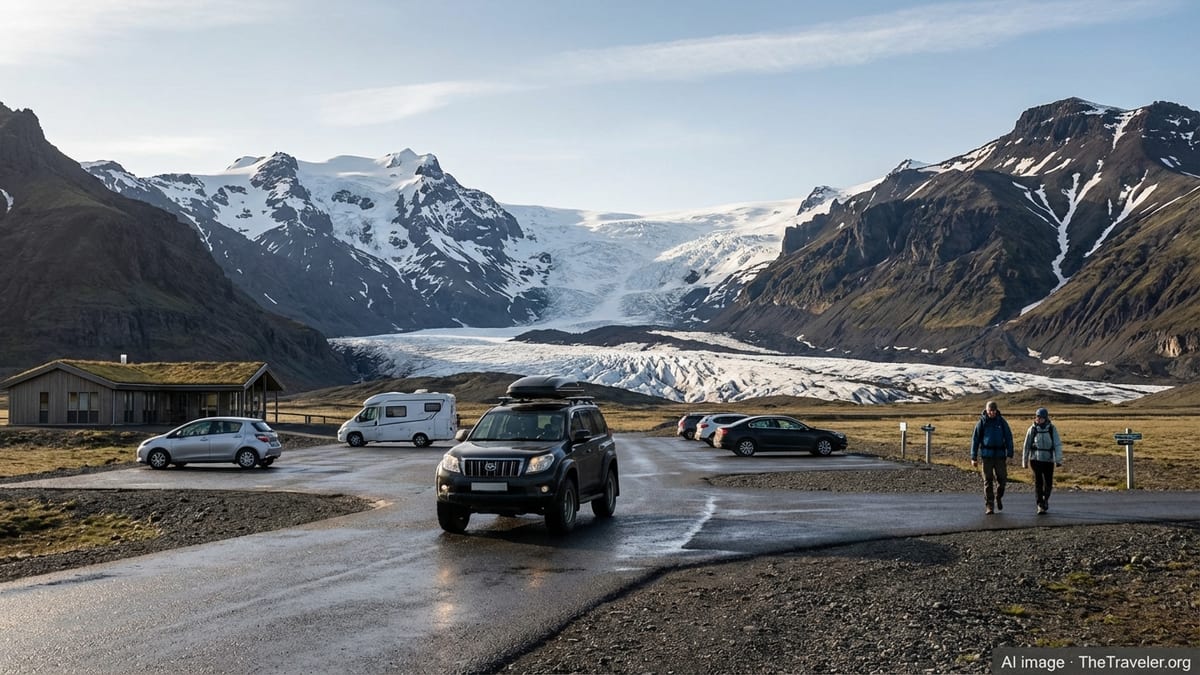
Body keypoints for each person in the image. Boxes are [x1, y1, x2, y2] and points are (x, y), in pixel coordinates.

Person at [970, 400, 1014, 514]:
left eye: (994, 411)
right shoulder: (982, 422)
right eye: (990, 411)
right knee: (987, 481)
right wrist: (973, 457)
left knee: (1002, 480)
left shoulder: (1002, 422)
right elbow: (975, 440)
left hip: (1000, 456)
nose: (992, 413)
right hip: (987, 456)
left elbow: (1008, 437)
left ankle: (999, 496)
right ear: (987, 410)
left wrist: (1010, 452)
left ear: (996, 410)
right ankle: (989, 505)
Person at [1022, 407, 1063, 514]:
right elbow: (1026, 446)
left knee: (1048, 483)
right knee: (1038, 482)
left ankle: (1045, 499)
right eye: (1037, 417)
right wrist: (1024, 461)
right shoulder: (1032, 429)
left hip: (1048, 460)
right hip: (1035, 460)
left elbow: (1057, 444)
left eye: (1040, 418)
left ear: (1045, 418)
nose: (1038, 419)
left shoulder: (1051, 429)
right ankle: (1040, 504)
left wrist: (1058, 460)